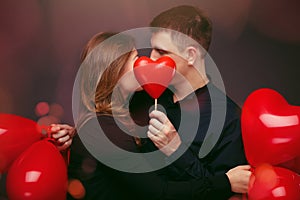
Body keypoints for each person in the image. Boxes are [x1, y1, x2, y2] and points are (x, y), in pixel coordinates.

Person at [67, 31, 250, 200]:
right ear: (115, 70)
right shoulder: (104, 129)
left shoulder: (128, 112)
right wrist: (226, 183)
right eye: (136, 58)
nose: (147, 62)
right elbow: (159, 193)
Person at [129, 5, 251, 198]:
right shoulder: (144, 97)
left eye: (160, 51)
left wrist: (176, 150)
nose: (151, 58)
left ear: (190, 55)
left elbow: (226, 191)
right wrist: (73, 135)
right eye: (152, 49)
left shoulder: (228, 119)